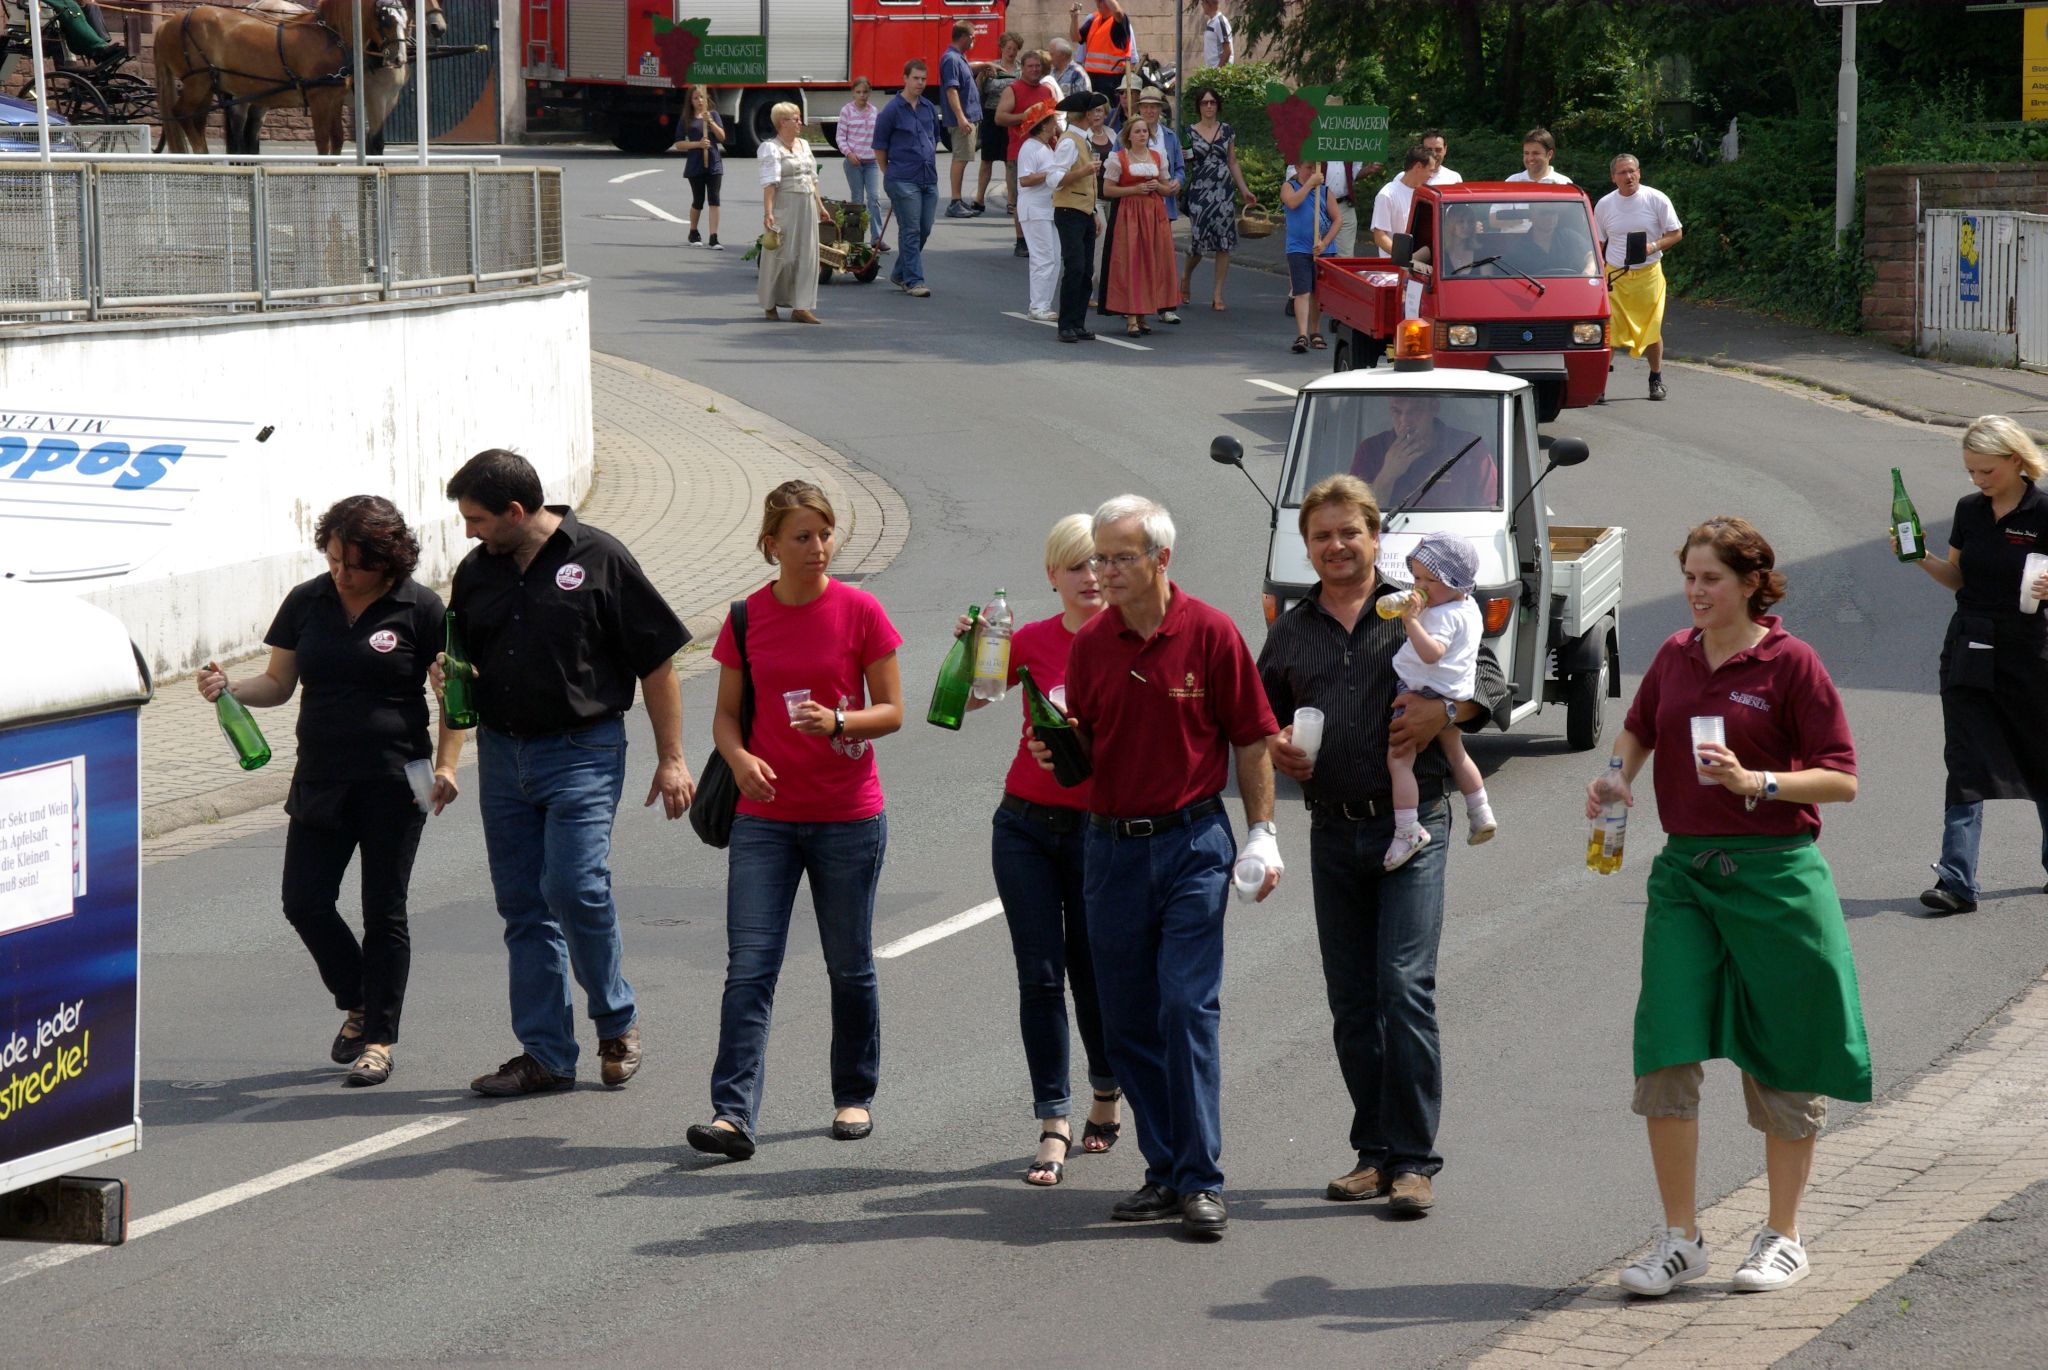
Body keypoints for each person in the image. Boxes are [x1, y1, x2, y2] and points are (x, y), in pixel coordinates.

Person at [1595, 516, 1867, 1297]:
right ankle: (1680, 1240)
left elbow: (1842, 778)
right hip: (1685, 874)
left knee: (1786, 1056)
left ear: (1751, 583)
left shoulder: (1792, 664)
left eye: (1710, 578)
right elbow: (1639, 730)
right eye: (1688, 577)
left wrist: (1759, 782)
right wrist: (1617, 778)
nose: (1695, 592)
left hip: (1777, 877)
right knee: (1666, 1048)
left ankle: (1783, 1236)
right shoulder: (1677, 655)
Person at [1032, 494, 1283, 1241]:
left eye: (1118, 557)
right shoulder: (1092, 645)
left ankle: (1202, 1180)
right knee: (1129, 1019)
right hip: (1108, 848)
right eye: (1097, 559)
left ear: (1160, 559)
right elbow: (1086, 750)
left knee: (1186, 1007)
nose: (1104, 572)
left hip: (1191, 843)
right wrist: (1061, 748)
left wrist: (1262, 832)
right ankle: (1165, 1169)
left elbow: (1252, 737)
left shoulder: (1209, 632)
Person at [1261, 475, 1511, 1217]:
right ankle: (1373, 1153)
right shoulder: (1291, 631)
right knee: (1351, 1000)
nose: (1336, 546)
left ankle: (1413, 1161)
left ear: (1376, 538)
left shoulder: (1419, 602)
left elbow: (1490, 679)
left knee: (1403, 986)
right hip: (1332, 827)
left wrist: (1448, 709)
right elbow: (1257, 717)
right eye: (1322, 536)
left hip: (1416, 823)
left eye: (1350, 532)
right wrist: (1277, 748)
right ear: (1306, 547)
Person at [441, 449, 694, 1097]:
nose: (468, 531)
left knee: (575, 887)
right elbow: (462, 662)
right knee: (524, 907)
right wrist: (449, 680)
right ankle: (547, 1056)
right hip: (502, 755)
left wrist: (672, 758)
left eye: (476, 519)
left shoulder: (601, 558)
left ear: (516, 512)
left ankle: (617, 1020)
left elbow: (657, 663)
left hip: (584, 750)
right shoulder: (476, 574)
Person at [195, 497, 462, 1089]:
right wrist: (228, 687)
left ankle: (380, 1041)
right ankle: (358, 1000)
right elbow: (277, 683)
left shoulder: (420, 608)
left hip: (401, 777)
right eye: (334, 558)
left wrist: (448, 766)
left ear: (389, 561)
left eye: (355, 564)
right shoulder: (308, 601)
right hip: (320, 773)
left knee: (383, 908)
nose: (341, 573)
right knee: (304, 901)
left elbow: (454, 698)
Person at [685, 481, 905, 1161]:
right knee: (750, 966)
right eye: (802, 536)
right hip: (764, 819)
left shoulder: (861, 610)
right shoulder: (747, 616)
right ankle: (732, 1115)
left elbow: (892, 711)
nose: (818, 548)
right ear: (771, 544)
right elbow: (725, 714)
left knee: (849, 966)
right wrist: (741, 758)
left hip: (847, 816)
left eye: (825, 533)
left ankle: (853, 1093)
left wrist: (839, 719)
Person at [956, 515, 1124, 1186]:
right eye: (1074, 566)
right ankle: (1053, 1118)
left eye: (1098, 565)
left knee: (1091, 972)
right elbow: (969, 703)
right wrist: (970, 659)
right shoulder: (1026, 640)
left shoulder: (1128, 644)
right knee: (1038, 974)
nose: (1089, 578)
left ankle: (1105, 1093)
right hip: (1024, 825)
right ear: (1051, 576)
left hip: (1097, 831)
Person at [1897, 416, 2048, 914]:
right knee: (1964, 762)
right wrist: (1917, 554)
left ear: (2015, 460)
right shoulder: (1969, 510)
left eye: (1986, 471)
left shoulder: (2045, 511)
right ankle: (1957, 882)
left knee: (2041, 758)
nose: (1978, 481)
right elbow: (1958, 577)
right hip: (1969, 648)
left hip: (2031, 653)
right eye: (1971, 472)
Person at [1382, 533, 1497, 870]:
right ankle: (1480, 812)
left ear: (1455, 583)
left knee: (1398, 759)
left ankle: (1407, 829)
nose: (1420, 587)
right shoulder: (1468, 607)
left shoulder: (1443, 616)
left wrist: (1411, 621)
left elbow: (1432, 653)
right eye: (1416, 577)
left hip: (1425, 689)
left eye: (1429, 580)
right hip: (1451, 691)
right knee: (1456, 753)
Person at [1594, 153, 1683, 401]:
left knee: (1652, 330)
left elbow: (1676, 233)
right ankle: (1598, 385)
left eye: (1632, 171)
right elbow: (1598, 243)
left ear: (1639, 173)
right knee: (1609, 333)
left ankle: (1656, 379)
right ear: (1613, 178)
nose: (1628, 176)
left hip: (1649, 275)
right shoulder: (1604, 205)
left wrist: (1653, 246)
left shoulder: (1656, 199)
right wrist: (1596, 271)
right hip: (1616, 276)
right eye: (1622, 172)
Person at [1101, 115, 1180, 338]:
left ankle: (1144, 314)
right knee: (1132, 262)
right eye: (1137, 131)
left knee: (1152, 262)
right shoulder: (1119, 158)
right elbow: (1107, 190)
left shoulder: (1158, 156)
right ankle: (1132, 318)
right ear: (1128, 136)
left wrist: (1159, 186)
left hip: (1154, 215)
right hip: (1129, 215)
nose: (1142, 135)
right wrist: (1134, 190)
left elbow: (1168, 189)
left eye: (1145, 131)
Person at [1349, 395, 1501, 508]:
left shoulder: (1469, 448)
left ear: (1434, 408)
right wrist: (1387, 475)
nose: (1404, 421)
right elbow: (1356, 517)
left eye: (1414, 411)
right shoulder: (1370, 450)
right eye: (1397, 411)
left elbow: (1490, 507)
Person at [1180, 86, 1256, 313]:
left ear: (1218, 105)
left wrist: (1244, 190)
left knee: (1224, 242)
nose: (1209, 106)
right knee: (1198, 243)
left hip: (1223, 191)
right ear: (1199, 106)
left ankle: (1217, 294)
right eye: (1205, 103)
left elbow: (1232, 161)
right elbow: (1185, 162)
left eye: (1212, 102)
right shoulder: (1189, 132)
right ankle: (1186, 278)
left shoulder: (1227, 131)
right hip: (1199, 191)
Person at [757, 102, 830, 325]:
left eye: (799, 118)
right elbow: (770, 183)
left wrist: (821, 206)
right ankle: (770, 303)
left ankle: (801, 306)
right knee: (781, 256)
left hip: (806, 203)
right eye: (795, 119)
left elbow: (812, 178)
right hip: (785, 204)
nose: (800, 123)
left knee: (807, 255)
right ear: (782, 122)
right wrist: (768, 213)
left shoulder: (805, 145)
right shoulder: (771, 148)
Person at [874, 58, 941, 298]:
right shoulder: (891, 110)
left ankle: (901, 272)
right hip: (902, 178)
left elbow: (934, 137)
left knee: (924, 228)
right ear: (905, 78)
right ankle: (915, 280)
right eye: (916, 78)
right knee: (911, 229)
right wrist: (889, 172)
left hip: (928, 178)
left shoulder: (928, 108)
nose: (920, 83)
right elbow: (879, 147)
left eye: (924, 79)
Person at [1052, 91, 1107, 343]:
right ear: (1085, 115)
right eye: (1093, 111)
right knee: (1074, 266)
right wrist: (1084, 170)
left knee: (1086, 269)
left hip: (1084, 210)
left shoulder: (1083, 139)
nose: (1096, 115)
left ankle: (1078, 322)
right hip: (1068, 211)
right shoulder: (1069, 141)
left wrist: (1094, 211)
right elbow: (1054, 179)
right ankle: (1066, 324)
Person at [997, 49, 1061, 260]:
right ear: (1022, 68)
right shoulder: (1013, 89)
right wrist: (1022, 117)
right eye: (1030, 66)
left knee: (1048, 194)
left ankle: (1043, 235)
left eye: (1037, 66)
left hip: (1046, 150)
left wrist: (1061, 139)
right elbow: (1000, 118)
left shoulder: (1046, 90)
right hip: (1019, 149)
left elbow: (1053, 119)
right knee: (1020, 196)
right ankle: (1021, 240)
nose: (1034, 70)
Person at [1135, 87, 1184, 325]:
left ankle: (1165, 306)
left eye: (1154, 107)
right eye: (1145, 106)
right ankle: (1136, 305)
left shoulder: (1170, 137)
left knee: (1164, 257)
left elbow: (1180, 168)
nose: (1150, 111)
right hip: (1136, 206)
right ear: (1140, 109)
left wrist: (1177, 182)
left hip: (1164, 204)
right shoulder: (1129, 134)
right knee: (1139, 257)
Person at [1282, 158, 1339, 354]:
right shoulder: (1289, 187)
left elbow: (1337, 219)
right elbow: (1292, 203)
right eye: (1308, 168)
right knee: (1302, 291)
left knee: (1318, 293)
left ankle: (1315, 331)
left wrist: (1324, 242)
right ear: (1297, 167)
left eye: (1317, 168)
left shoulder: (1325, 191)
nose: (1313, 171)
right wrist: (1309, 184)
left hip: (1323, 248)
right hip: (1298, 248)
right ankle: (1302, 334)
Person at [1015, 102, 1066, 322]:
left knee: (1053, 257)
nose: (1056, 123)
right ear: (1044, 124)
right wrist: (1049, 173)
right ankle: (1037, 305)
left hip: (1047, 208)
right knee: (1043, 257)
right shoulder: (1030, 147)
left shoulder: (1047, 147)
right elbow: (1025, 179)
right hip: (1034, 209)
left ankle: (1044, 303)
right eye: (1052, 120)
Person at [974, 32, 1023, 222]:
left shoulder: (1020, 70)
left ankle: (1012, 201)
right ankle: (979, 199)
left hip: (1011, 117)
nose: (1011, 52)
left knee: (1010, 161)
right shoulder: (991, 66)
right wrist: (982, 78)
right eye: (1008, 48)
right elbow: (979, 90)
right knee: (986, 159)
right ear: (1002, 48)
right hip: (991, 113)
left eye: (1014, 49)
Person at [834, 79, 887, 252]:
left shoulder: (873, 111)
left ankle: (876, 237)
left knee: (874, 198)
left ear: (869, 93)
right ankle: (855, 238)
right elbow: (840, 136)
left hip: (870, 162)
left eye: (865, 92)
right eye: (858, 92)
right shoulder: (846, 111)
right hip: (853, 162)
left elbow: (878, 136)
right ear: (853, 93)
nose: (862, 96)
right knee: (857, 200)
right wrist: (849, 153)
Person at [671, 86, 726, 249]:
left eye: (701, 97)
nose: (699, 101)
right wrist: (698, 144)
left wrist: (711, 122)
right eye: (695, 98)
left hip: (714, 163)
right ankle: (693, 231)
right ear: (691, 101)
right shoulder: (686, 119)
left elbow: (722, 137)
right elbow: (679, 143)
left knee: (714, 199)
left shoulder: (713, 115)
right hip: (695, 163)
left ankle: (714, 236)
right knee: (698, 200)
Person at [940, 22, 984, 219]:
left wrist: (986, 65)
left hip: (969, 117)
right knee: (960, 158)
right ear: (963, 37)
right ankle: (955, 202)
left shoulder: (959, 58)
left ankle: (957, 200)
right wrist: (961, 117)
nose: (975, 40)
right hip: (962, 119)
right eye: (973, 37)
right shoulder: (951, 59)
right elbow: (951, 90)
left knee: (964, 158)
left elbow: (967, 70)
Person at [1370, 145, 1434, 255]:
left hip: (1423, 265)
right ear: (1418, 166)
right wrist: (1404, 257)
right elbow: (1380, 236)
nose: (1431, 176)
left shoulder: (1427, 194)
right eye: (1430, 170)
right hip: (1394, 267)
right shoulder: (1387, 194)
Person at [1072, 0, 1133, 101]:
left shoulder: (1119, 21)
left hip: (1111, 81)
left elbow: (1118, 12)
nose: (1099, 4)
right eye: (1098, 1)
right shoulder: (1094, 20)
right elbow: (1075, 38)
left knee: (1109, 113)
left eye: (1103, 1)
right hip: (1091, 78)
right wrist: (1074, 17)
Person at [1506, 127, 1572, 185]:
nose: (1530, 158)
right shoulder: (1512, 182)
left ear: (1549, 154)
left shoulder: (1563, 183)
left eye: (1535, 153)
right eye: (1526, 153)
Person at [1050, 37, 1089, 102]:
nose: (1050, 58)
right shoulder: (1052, 73)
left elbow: (1084, 101)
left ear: (1062, 55)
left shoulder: (1078, 74)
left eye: (1052, 54)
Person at [1199, 0, 1233, 68]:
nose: (1201, 5)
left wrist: (1218, 71)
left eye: (1203, 2)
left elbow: (1227, 50)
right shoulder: (1210, 22)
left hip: (1219, 73)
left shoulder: (1220, 22)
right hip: (1211, 71)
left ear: (1209, 4)